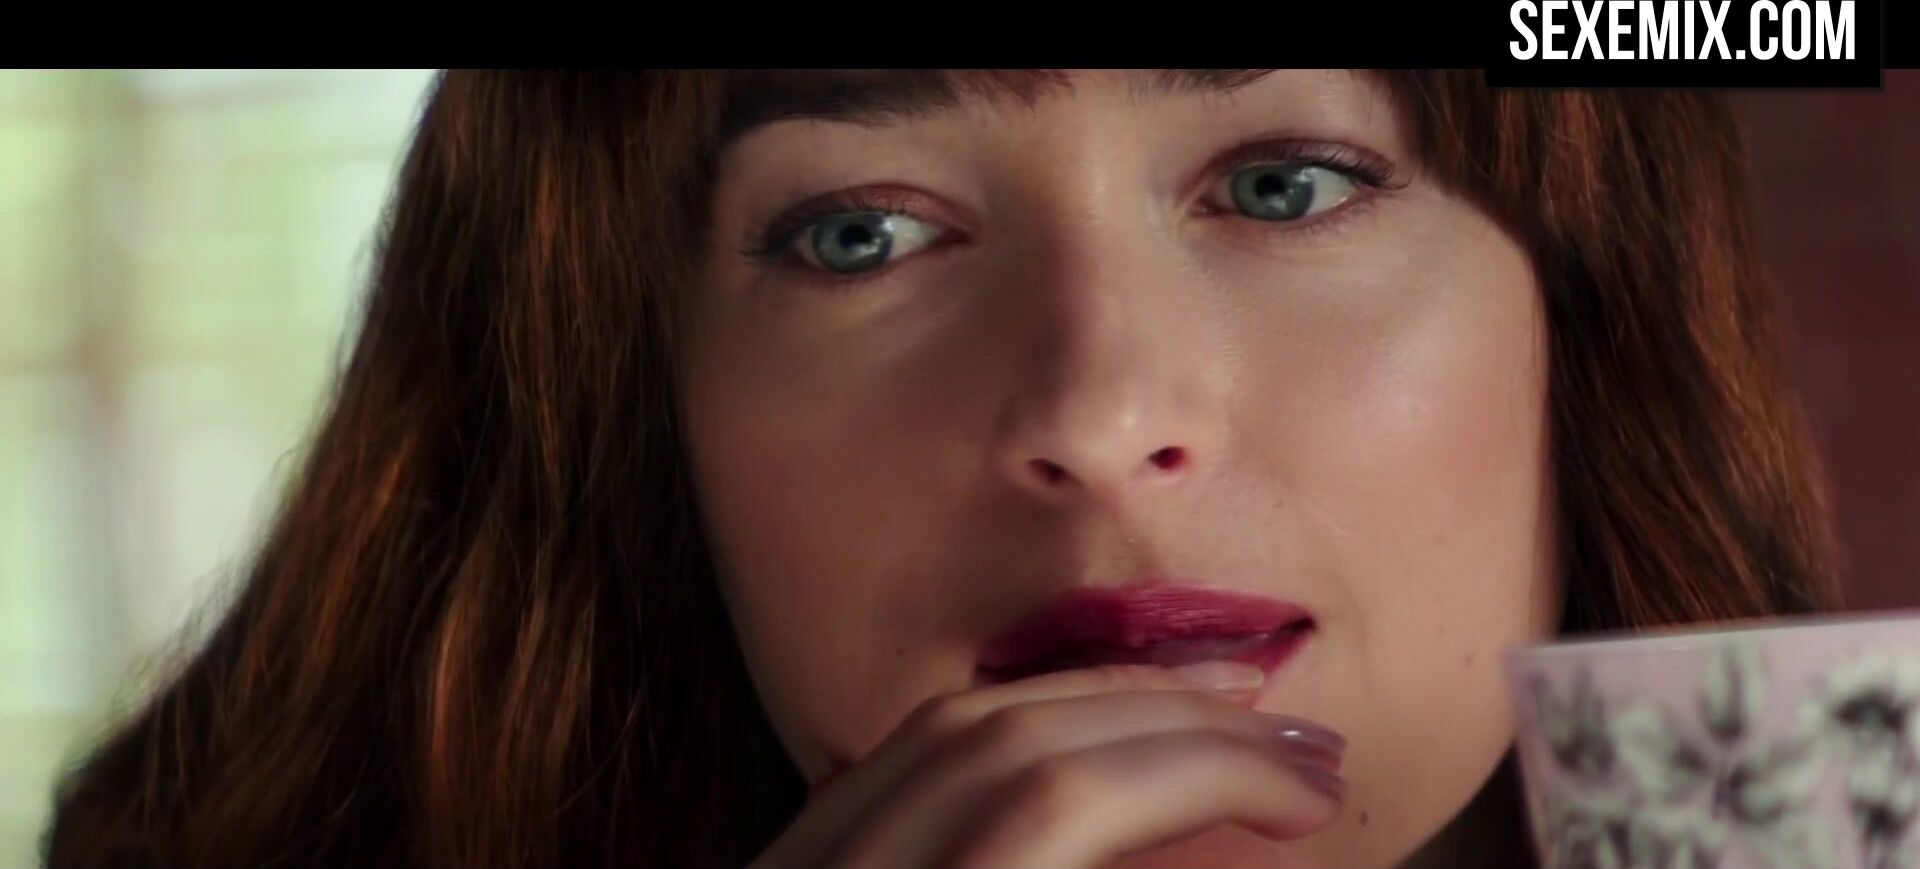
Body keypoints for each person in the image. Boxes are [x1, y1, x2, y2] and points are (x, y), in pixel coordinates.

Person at [43, 69, 1840, 869]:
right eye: (859, 234)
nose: (1096, 408)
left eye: (1284, 184)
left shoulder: (1824, 820)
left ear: (1592, 319)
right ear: (625, 402)